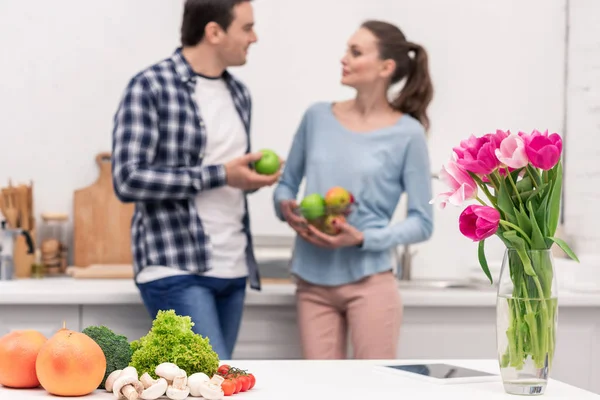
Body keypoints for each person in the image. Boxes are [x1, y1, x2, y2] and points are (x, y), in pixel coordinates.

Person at [111, 0, 280, 360]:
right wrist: (220, 174)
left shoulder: (239, 94)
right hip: (176, 266)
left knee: (221, 383)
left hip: (233, 267)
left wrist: (247, 178)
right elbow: (127, 179)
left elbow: (224, 180)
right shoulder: (150, 86)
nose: (255, 37)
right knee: (211, 386)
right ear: (214, 32)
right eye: (247, 28)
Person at [273, 20, 434, 360]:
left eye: (356, 52)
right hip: (311, 282)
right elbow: (286, 185)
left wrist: (362, 238)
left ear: (385, 68)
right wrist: (286, 206)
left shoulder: (408, 134)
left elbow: (423, 222)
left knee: (371, 390)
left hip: (371, 281)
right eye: (347, 50)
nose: (343, 58)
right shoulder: (316, 117)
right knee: (320, 390)